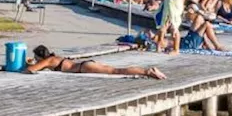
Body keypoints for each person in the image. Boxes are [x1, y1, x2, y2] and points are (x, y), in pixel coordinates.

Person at [24, 45, 166, 78]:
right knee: (115, 70)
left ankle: (148, 71)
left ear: (40, 56)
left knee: (115, 71)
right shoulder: (53, 58)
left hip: (84, 68)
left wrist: (26, 65)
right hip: (85, 64)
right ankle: (148, 71)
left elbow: (31, 70)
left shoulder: (48, 61)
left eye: (36, 58)